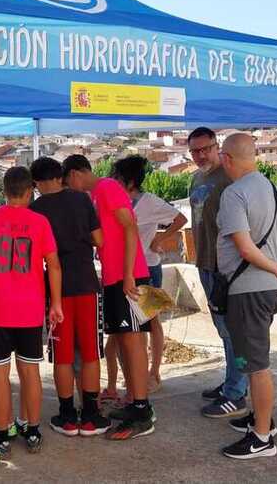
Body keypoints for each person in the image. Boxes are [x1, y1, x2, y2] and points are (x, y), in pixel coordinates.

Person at [215, 134, 277, 460]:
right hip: (269, 289)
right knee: (250, 358)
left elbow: (245, 248)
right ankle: (259, 417)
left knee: (256, 365)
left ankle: (263, 437)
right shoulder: (275, 191)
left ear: (226, 159)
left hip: (250, 289)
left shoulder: (234, 194)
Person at [0, 166, 63, 457]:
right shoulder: (40, 222)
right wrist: (56, 303)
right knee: (30, 371)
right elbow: (54, 265)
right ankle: (32, 429)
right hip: (30, 310)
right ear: (30, 190)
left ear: (5, 190)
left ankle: (2, 432)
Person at [62, 155, 155, 440]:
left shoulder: (107, 188)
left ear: (77, 174)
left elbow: (129, 227)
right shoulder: (96, 195)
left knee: (134, 342)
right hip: (115, 278)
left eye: (68, 183)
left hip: (129, 277)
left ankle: (142, 410)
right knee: (126, 343)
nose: (71, 189)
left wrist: (128, 274)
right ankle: (135, 402)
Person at [28, 157, 111, 437]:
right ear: (60, 176)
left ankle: (66, 415)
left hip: (55, 291)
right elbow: (99, 240)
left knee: (62, 355)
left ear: (37, 183)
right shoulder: (82, 200)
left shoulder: (35, 209)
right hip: (87, 283)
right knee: (90, 351)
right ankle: (90, 415)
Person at [110, 156, 187, 394]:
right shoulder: (114, 201)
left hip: (148, 269)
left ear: (130, 181)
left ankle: (153, 372)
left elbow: (180, 219)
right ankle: (134, 373)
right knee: (126, 329)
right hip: (123, 271)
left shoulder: (150, 202)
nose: (113, 181)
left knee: (150, 322)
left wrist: (160, 238)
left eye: (117, 177)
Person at [187, 127, 249, 419]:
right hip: (206, 264)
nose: (201, 155)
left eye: (205, 149)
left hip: (227, 267)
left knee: (233, 330)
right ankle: (232, 382)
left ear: (217, 147)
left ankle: (236, 393)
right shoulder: (195, 179)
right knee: (223, 331)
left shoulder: (230, 178)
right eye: (195, 151)